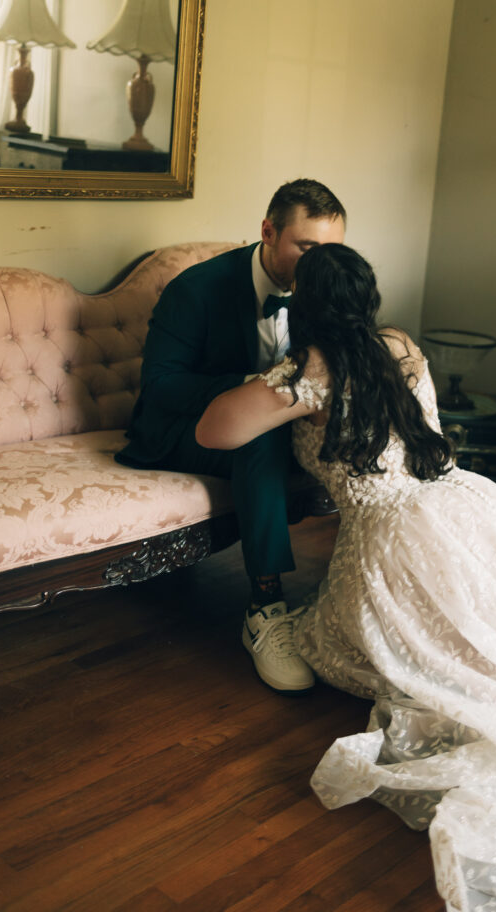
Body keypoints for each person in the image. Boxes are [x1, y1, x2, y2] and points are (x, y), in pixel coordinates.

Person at [195, 243, 496, 912]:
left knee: (393, 655)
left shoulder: (307, 372)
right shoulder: (399, 345)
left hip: (395, 534)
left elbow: (215, 432)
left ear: (307, 305)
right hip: (468, 501)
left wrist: (274, 375)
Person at [116, 178, 346, 693]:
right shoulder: (196, 289)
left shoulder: (324, 290)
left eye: (331, 252)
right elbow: (161, 387)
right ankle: (265, 606)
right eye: (307, 249)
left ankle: (356, 591)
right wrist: (253, 390)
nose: (320, 265)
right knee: (257, 436)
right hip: (176, 429)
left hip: (275, 425)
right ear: (268, 232)